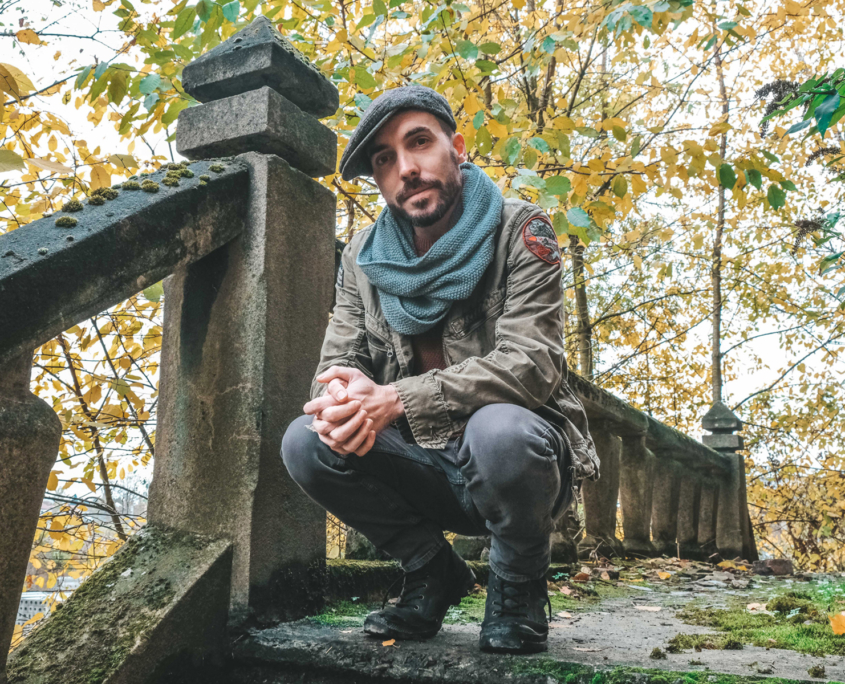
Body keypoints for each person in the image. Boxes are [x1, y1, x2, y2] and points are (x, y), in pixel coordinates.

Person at [281, 85, 598, 654]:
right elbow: (338, 361)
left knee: (499, 430)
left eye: (420, 142)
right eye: (385, 159)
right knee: (306, 440)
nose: (406, 168)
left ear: (458, 147)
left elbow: (533, 363)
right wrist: (341, 398)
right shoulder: (362, 259)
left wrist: (399, 398)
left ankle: (517, 587)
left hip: (516, 464)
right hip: (420, 465)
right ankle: (432, 571)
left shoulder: (520, 229)